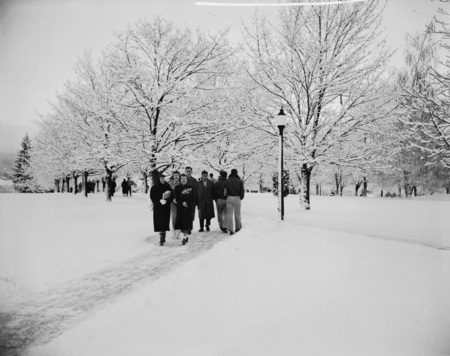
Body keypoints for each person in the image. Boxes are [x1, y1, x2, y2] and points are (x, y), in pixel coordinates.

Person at [150, 172, 173, 246]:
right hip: (158, 208)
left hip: (166, 207)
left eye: (163, 178)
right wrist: (159, 201)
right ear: (159, 179)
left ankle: (162, 238)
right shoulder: (154, 187)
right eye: (161, 178)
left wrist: (167, 201)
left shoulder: (167, 186)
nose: (162, 180)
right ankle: (162, 237)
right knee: (160, 222)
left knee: (164, 222)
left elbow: (172, 196)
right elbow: (152, 196)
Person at [174, 174, 196, 245]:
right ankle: (185, 237)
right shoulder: (177, 187)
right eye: (182, 178)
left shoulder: (191, 187)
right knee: (181, 223)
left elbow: (193, 197)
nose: (183, 180)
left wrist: (187, 203)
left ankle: (184, 237)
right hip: (180, 208)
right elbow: (177, 197)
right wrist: (181, 203)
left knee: (186, 224)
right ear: (180, 179)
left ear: (187, 180)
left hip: (188, 208)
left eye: (185, 179)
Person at [225, 168, 245, 235]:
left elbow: (224, 190)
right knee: (237, 214)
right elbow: (242, 190)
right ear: (236, 173)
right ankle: (238, 227)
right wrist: (241, 197)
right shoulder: (239, 181)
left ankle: (230, 229)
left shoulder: (227, 181)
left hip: (229, 197)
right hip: (237, 198)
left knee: (229, 214)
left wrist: (226, 197)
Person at [168, 170, 181, 239]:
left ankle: (178, 232)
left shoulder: (181, 183)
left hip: (180, 202)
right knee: (174, 215)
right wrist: (172, 199)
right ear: (173, 176)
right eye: (175, 175)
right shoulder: (170, 183)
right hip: (172, 201)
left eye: (177, 175)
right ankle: (174, 231)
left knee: (179, 215)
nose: (176, 177)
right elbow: (168, 192)